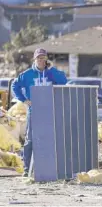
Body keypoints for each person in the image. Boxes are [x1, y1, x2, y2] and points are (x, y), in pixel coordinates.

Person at [12, 48, 67, 176]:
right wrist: (24, 100)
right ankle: (27, 170)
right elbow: (15, 86)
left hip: (50, 110)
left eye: (43, 58)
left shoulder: (51, 73)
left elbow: (63, 81)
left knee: (51, 138)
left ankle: (49, 168)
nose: (41, 61)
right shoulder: (27, 74)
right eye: (39, 58)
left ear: (46, 59)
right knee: (30, 139)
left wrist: (51, 70)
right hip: (34, 110)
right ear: (35, 60)